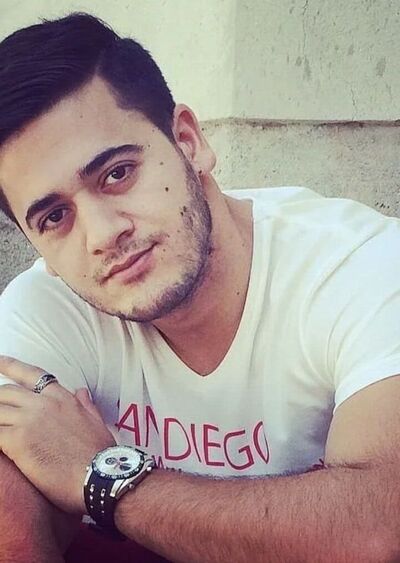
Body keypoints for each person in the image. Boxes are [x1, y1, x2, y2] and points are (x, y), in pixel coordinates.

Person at [0, 12, 399, 563]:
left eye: (117, 173)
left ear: (188, 142)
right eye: (54, 217)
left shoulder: (359, 265)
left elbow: (379, 526)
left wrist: (102, 479)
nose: (102, 234)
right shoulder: (45, 309)